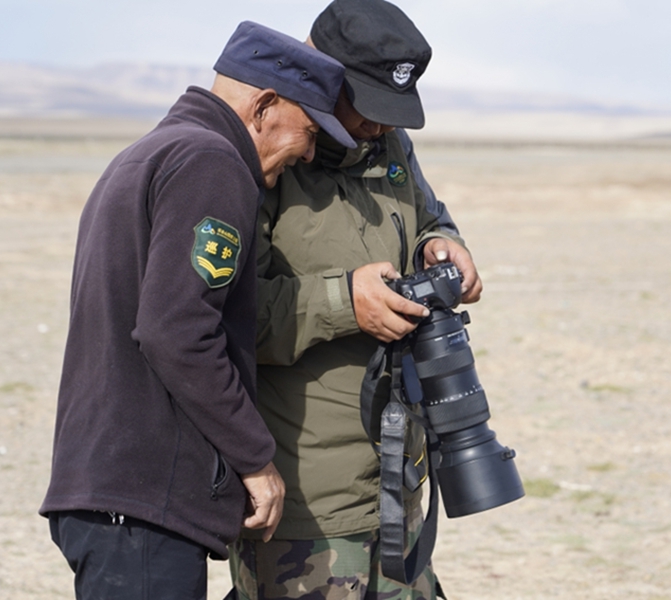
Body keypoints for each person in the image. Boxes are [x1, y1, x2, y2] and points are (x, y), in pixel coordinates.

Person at [39, 21, 356, 599]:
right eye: (309, 131)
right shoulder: (213, 164)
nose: (310, 152)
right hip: (142, 505)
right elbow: (177, 331)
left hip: (113, 494)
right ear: (264, 106)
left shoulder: (150, 152)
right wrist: (255, 459)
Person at [229, 1, 482, 598]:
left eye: (393, 109)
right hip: (307, 505)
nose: (381, 126)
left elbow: (426, 217)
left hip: (397, 479)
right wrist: (345, 301)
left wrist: (441, 244)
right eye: (369, 105)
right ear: (320, 75)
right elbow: (225, 318)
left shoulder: (388, 145)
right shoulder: (260, 157)